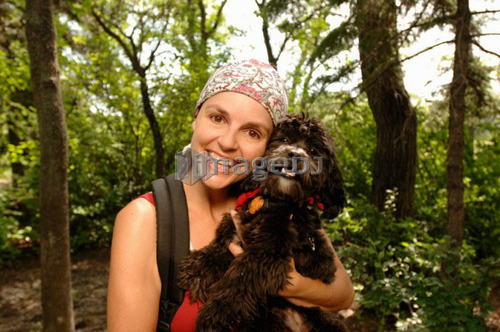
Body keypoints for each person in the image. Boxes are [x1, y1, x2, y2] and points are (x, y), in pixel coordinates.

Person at [107, 59, 355, 331]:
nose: (227, 142)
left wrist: (287, 280)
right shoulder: (144, 218)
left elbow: (344, 294)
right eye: (217, 118)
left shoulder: (272, 199)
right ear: (195, 118)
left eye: (252, 132)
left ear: (267, 146)